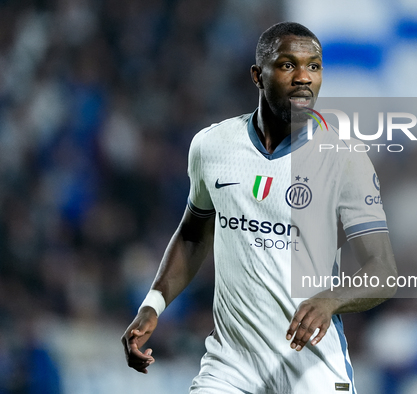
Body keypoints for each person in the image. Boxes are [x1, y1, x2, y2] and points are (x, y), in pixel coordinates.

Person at [121, 22, 397, 393]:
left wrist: (331, 300)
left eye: (313, 66)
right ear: (258, 75)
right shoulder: (212, 146)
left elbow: (382, 270)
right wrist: (153, 304)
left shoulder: (345, 158)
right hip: (231, 367)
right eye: (287, 65)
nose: (303, 77)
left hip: (310, 366)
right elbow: (191, 235)